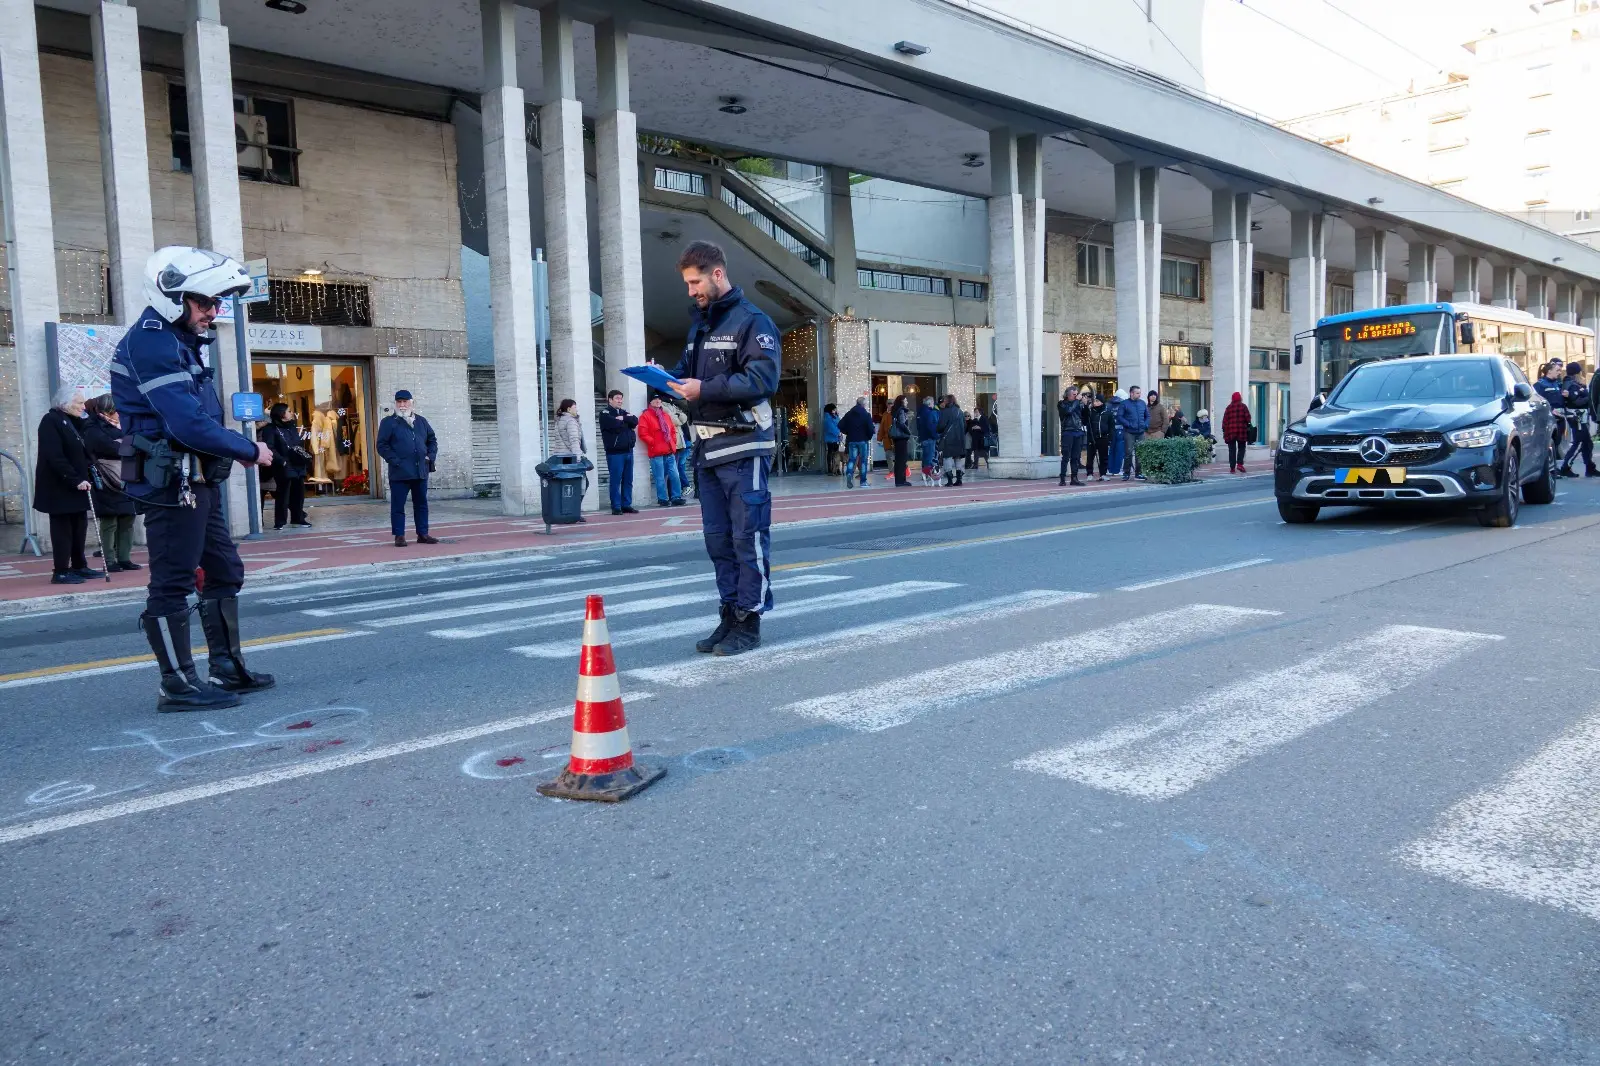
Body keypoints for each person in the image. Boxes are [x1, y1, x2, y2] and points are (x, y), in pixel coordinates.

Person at [111, 245, 275, 711]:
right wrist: (249, 450)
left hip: (197, 479)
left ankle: (226, 667)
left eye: (216, 303)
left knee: (224, 570)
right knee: (172, 582)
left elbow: (197, 420)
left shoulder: (179, 340)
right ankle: (177, 685)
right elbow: (185, 424)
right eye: (204, 302)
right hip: (168, 484)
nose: (213, 311)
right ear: (173, 297)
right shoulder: (152, 342)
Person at [666, 241, 780, 656]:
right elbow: (686, 376)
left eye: (695, 281)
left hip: (744, 445)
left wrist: (703, 388)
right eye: (687, 283)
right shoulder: (700, 326)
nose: (690, 290)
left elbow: (761, 381)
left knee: (747, 538)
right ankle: (729, 616)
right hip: (707, 449)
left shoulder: (754, 322)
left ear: (717, 274)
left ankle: (749, 622)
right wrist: (665, 380)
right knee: (718, 541)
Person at [34, 386, 102, 585]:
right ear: (65, 403)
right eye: (80, 403)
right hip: (60, 486)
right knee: (63, 529)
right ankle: (61, 570)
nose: (83, 406)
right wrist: (74, 479)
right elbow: (55, 456)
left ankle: (80, 565)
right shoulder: (51, 421)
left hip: (78, 485)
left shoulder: (75, 422)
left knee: (79, 526)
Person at [81, 393, 139, 573]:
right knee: (110, 520)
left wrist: (125, 445)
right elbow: (114, 447)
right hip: (107, 477)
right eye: (114, 411)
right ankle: (110, 559)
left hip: (126, 474)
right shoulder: (93, 428)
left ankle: (124, 558)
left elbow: (130, 445)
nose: (118, 414)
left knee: (128, 518)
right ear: (105, 411)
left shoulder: (120, 425)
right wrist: (126, 444)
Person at [375, 390, 439, 546]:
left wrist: (430, 456)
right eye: (399, 402)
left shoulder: (421, 421)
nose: (402, 405)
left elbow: (432, 440)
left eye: (405, 402)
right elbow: (382, 445)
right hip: (399, 472)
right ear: (395, 404)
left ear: (412, 403)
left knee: (421, 504)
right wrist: (396, 461)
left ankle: (422, 534)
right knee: (398, 506)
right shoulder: (388, 422)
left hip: (420, 471)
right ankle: (399, 536)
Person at [257, 402, 312, 530]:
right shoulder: (271, 429)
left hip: (298, 463)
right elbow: (269, 447)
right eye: (288, 411)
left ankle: (298, 519)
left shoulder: (292, 427)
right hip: (283, 465)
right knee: (283, 494)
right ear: (282, 414)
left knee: (298, 494)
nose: (291, 413)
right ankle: (280, 522)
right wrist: (282, 461)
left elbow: (297, 443)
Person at [597, 389, 640, 516]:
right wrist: (625, 421)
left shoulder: (623, 412)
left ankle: (626, 504)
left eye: (621, 398)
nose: (620, 401)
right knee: (616, 480)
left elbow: (635, 421)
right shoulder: (605, 413)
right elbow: (614, 424)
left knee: (628, 480)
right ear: (610, 399)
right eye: (617, 398)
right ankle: (616, 506)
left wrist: (624, 418)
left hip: (628, 450)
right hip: (615, 453)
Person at [638, 393, 686, 506]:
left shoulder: (665, 415)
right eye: (655, 399)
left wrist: (673, 442)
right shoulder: (645, 416)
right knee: (659, 477)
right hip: (656, 452)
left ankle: (676, 497)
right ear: (650, 402)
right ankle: (662, 498)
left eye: (659, 399)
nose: (658, 401)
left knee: (675, 475)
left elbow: (672, 431)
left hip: (669, 450)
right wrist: (653, 443)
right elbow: (643, 433)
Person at [1560, 361, 1597, 477]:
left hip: (1580, 417)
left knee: (1587, 443)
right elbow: (1575, 401)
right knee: (1578, 442)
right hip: (1576, 417)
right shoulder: (1570, 384)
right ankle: (1565, 466)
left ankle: (1589, 467)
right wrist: (1589, 399)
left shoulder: (1575, 384)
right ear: (1577, 372)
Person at [839, 394, 876, 488]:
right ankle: (863, 482)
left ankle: (849, 474)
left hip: (852, 440)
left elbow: (840, 425)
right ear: (863, 405)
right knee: (863, 461)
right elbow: (871, 429)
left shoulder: (849, 414)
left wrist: (847, 432)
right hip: (863, 440)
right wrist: (868, 436)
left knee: (852, 459)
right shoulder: (866, 415)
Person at [1536, 359, 1567, 465]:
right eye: (1557, 370)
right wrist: (1551, 410)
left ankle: (1555, 467)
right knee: (1549, 444)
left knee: (1557, 443)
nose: (1560, 373)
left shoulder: (1557, 384)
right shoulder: (1540, 385)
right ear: (1549, 371)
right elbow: (1538, 402)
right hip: (1548, 419)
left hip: (1560, 418)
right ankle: (1549, 467)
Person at [1116, 384, 1149, 480]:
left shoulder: (1142, 403)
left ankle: (1139, 473)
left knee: (1140, 453)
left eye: (1140, 393)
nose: (1139, 395)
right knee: (1128, 452)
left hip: (1140, 432)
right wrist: (1128, 424)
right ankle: (1126, 473)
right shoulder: (1124, 403)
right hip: (1129, 432)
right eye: (1137, 393)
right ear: (1131, 393)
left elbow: (1147, 416)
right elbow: (1119, 417)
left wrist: (1145, 424)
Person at [1058, 385, 1086, 486]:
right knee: (1066, 456)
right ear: (1068, 395)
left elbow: (1084, 416)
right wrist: (1077, 401)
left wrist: (1085, 405)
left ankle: (1074, 478)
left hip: (1078, 431)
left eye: (1077, 394)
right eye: (1074, 395)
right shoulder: (1062, 404)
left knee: (1076, 457)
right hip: (1068, 432)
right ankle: (1062, 478)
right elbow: (1068, 411)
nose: (1076, 396)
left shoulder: (1078, 404)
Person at [937, 394, 967, 486]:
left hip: (948, 438)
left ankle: (950, 480)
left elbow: (941, 426)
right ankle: (959, 480)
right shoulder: (960, 411)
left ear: (947, 401)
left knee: (947, 458)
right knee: (958, 458)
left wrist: (939, 430)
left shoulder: (945, 411)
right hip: (959, 439)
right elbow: (964, 426)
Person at [666, 398, 694, 498]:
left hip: (683, 442)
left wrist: (677, 417)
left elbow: (679, 420)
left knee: (678, 467)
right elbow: (679, 420)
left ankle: (686, 486)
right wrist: (678, 416)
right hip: (685, 442)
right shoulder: (678, 408)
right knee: (678, 467)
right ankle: (685, 486)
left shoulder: (674, 408)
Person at [1221, 391, 1252, 473]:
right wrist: (1248, 425)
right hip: (1241, 431)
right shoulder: (1243, 407)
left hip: (1230, 432)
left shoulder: (1229, 408)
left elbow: (1224, 421)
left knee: (1232, 450)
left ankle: (1232, 468)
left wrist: (1224, 430)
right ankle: (1240, 464)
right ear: (1240, 398)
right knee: (1242, 448)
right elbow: (1248, 418)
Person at [1085, 391, 1113, 481]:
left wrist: (1110, 438)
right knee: (1090, 457)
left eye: (1097, 401)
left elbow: (1111, 426)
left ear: (1102, 402)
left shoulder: (1107, 413)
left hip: (1103, 437)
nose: (1095, 403)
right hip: (1092, 437)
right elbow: (1085, 421)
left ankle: (1103, 474)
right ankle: (1089, 473)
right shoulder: (1090, 412)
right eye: (1094, 401)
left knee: (1103, 457)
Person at [551, 398, 585, 462]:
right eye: (575, 407)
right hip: (569, 456)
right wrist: (578, 457)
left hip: (558, 454)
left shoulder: (559, 420)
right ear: (569, 409)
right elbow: (574, 439)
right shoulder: (570, 421)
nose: (576, 410)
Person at [888, 396, 913, 486]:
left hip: (897, 437)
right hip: (901, 437)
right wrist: (908, 432)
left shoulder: (896, 411)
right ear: (902, 401)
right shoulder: (901, 411)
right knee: (902, 459)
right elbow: (902, 424)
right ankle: (901, 480)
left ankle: (899, 480)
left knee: (899, 459)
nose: (907, 402)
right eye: (906, 400)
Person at [916, 394, 940, 482]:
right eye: (933, 402)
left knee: (925, 457)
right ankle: (928, 475)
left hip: (922, 437)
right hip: (929, 438)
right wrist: (936, 436)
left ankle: (925, 475)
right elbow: (930, 426)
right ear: (929, 403)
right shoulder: (929, 412)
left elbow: (918, 426)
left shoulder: (920, 412)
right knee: (929, 457)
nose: (934, 404)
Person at [821, 403, 842, 476]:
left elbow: (839, 424)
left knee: (836, 454)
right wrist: (838, 433)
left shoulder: (835, 416)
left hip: (836, 438)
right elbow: (831, 428)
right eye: (834, 409)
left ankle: (836, 468)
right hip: (831, 438)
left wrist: (839, 433)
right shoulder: (828, 418)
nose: (835, 410)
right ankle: (830, 468)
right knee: (831, 453)